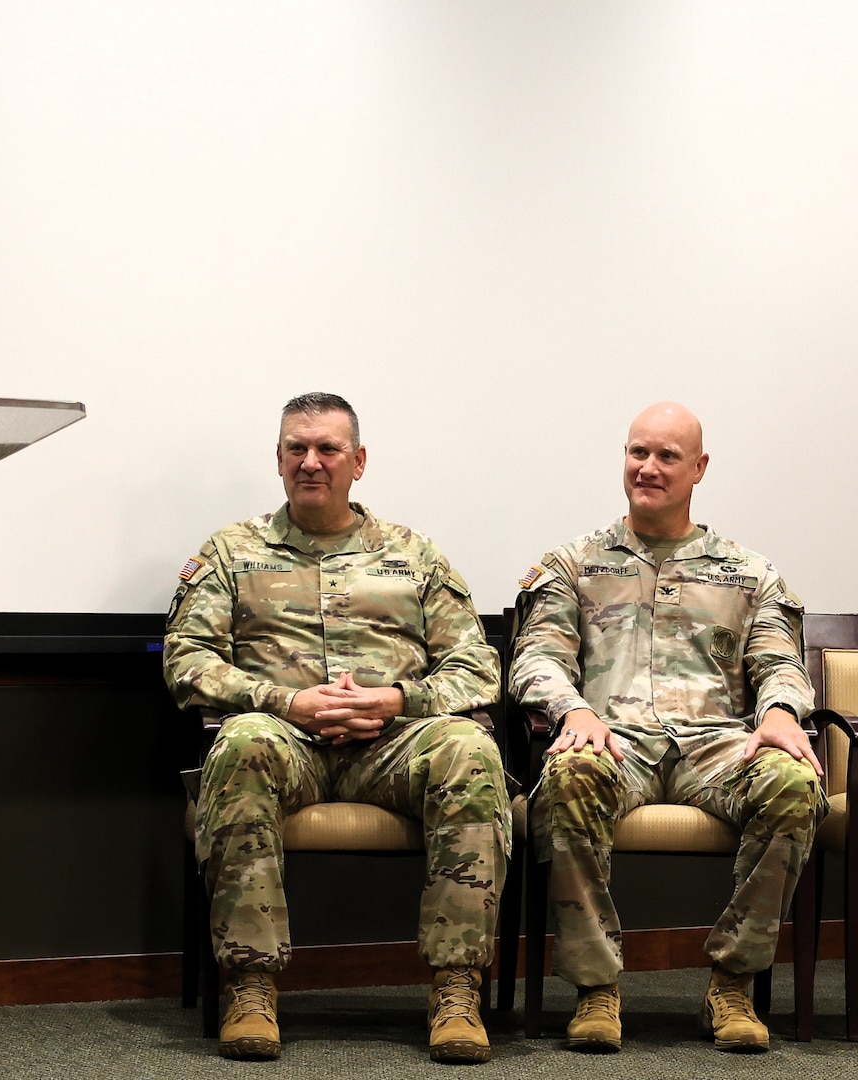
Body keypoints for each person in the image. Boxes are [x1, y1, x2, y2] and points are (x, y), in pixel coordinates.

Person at [164, 392, 509, 1064]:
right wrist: (284, 701)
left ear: (359, 461)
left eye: (328, 449)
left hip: (393, 745)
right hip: (284, 739)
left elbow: (476, 667)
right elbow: (186, 657)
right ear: (279, 459)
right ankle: (250, 984)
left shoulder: (413, 554)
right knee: (239, 742)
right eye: (298, 448)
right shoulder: (233, 552)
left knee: (471, 748)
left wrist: (396, 700)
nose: (312, 462)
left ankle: (457, 986)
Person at [509, 401, 823, 1055]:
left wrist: (778, 712)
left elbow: (780, 663)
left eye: (667, 456)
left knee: (793, 782)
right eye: (637, 453)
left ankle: (732, 984)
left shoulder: (749, 573)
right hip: (613, 737)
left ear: (699, 468)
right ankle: (596, 990)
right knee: (567, 774)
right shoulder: (575, 563)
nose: (647, 468)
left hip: (718, 742)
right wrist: (575, 710)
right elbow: (536, 658)